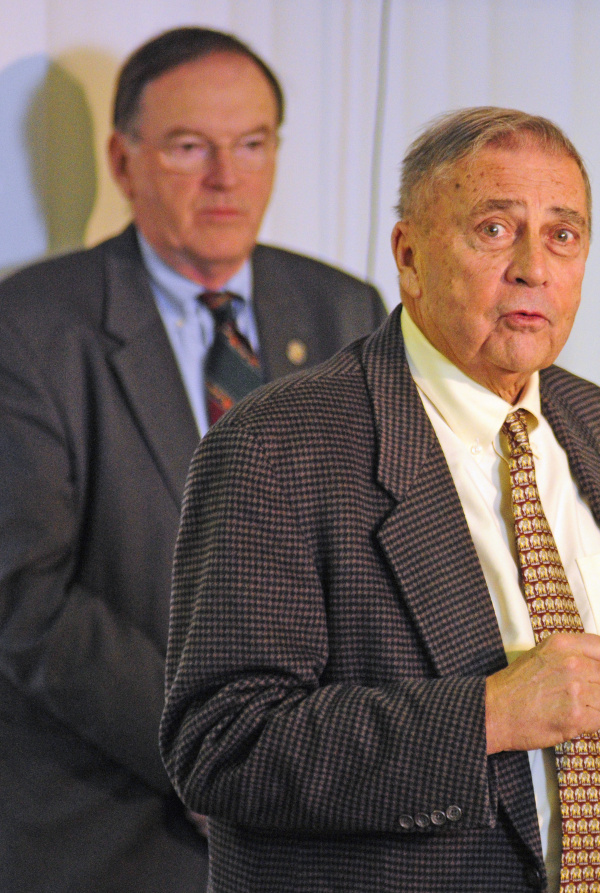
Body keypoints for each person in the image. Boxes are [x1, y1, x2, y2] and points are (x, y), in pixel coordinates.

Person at [160, 107, 600, 893]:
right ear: (409, 255)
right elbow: (224, 742)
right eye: (495, 230)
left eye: (563, 236)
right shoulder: (282, 442)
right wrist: (490, 715)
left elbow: (598, 642)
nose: (534, 268)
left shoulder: (589, 417)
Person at [0, 26, 385, 893]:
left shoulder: (345, 311)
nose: (227, 176)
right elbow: (26, 594)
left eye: (252, 144)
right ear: (123, 159)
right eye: (189, 147)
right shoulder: (29, 327)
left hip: (325, 827)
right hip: (118, 827)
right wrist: (216, 753)